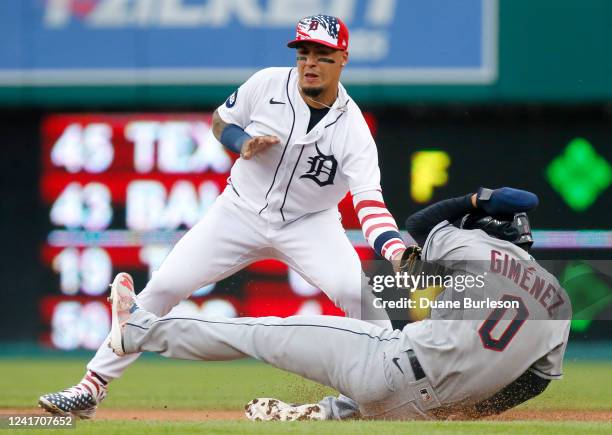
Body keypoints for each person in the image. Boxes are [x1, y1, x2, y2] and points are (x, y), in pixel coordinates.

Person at [38, 14, 407, 419]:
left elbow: (369, 202)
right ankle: (90, 388)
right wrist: (242, 141)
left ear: (343, 59)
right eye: (304, 53)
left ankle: (398, 384)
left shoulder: (352, 129)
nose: (310, 63)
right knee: (163, 287)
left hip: (311, 223)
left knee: (357, 293)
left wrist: (393, 248)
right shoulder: (267, 83)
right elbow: (221, 121)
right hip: (239, 212)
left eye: (322, 54)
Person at [103, 187, 571, 421]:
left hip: (390, 368)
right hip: (419, 411)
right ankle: (328, 413)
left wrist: (475, 199)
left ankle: (136, 331)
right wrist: (460, 409)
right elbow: (533, 385)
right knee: (381, 385)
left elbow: (420, 223)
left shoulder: (476, 249)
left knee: (261, 333)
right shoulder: (559, 301)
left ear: (488, 229)